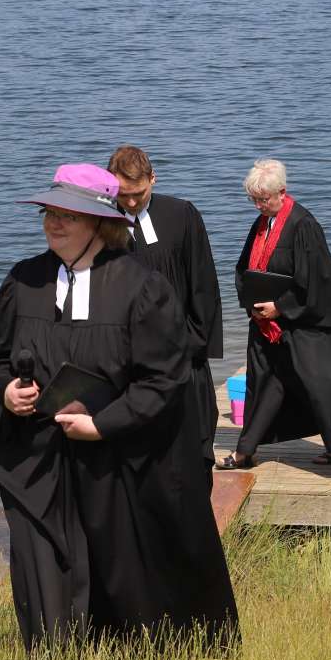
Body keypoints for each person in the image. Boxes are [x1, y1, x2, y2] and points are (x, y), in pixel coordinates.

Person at [0, 163, 238, 650]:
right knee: (43, 567)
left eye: (67, 215)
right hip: (37, 458)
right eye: (49, 212)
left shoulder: (140, 288)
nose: (53, 222)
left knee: (124, 571)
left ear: (100, 222)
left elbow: (166, 377)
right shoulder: (23, 281)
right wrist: (7, 390)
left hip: (115, 458)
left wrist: (103, 424)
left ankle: (130, 657)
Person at [220, 158, 331, 469]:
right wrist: (253, 304)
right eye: (253, 199)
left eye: (264, 199)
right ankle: (246, 451)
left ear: (282, 192)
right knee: (263, 382)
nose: (258, 205)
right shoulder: (262, 224)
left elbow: (314, 281)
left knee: (316, 384)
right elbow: (245, 268)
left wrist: (280, 308)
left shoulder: (303, 225)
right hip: (265, 320)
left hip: (305, 319)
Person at [107, 145, 225, 475]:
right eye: (123, 194)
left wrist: (196, 343)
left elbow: (202, 281)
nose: (130, 202)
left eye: (138, 193)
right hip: (126, 356)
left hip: (182, 350)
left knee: (195, 438)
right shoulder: (100, 222)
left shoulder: (181, 215)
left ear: (153, 180)